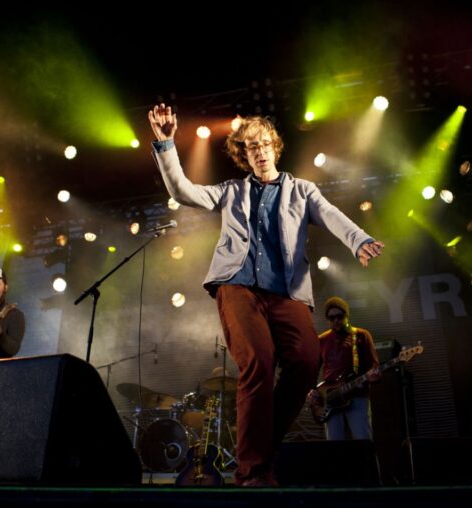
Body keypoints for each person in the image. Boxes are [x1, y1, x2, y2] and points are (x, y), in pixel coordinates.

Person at [148, 104, 385, 486]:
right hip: (238, 287)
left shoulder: (302, 190)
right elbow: (184, 191)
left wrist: (359, 240)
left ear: (275, 148)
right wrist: (166, 144)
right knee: (258, 360)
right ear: (244, 156)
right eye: (250, 147)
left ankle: (261, 444)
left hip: (287, 294)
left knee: (307, 361)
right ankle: (253, 471)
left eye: (264, 144)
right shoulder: (231, 192)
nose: (258, 151)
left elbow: (331, 214)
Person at [312, 296, 380, 440]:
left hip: (357, 396)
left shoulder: (361, 335)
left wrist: (374, 376)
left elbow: (374, 365)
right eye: (331, 318)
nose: (336, 320)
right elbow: (313, 369)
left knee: (363, 442)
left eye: (339, 316)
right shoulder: (321, 340)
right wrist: (313, 392)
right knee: (335, 447)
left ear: (347, 315)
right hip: (330, 398)